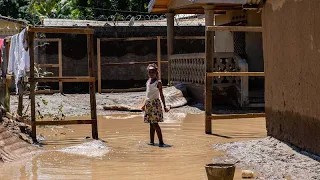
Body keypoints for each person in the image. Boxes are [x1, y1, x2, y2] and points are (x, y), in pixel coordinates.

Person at [141, 63, 169, 147]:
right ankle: (151, 142)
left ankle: (161, 142)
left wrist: (164, 106)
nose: (151, 74)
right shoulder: (148, 81)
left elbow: (161, 95)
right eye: (149, 72)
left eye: (152, 72)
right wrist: (144, 105)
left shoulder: (158, 82)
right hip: (149, 104)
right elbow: (147, 94)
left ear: (156, 72)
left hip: (155, 105)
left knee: (155, 124)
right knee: (151, 123)